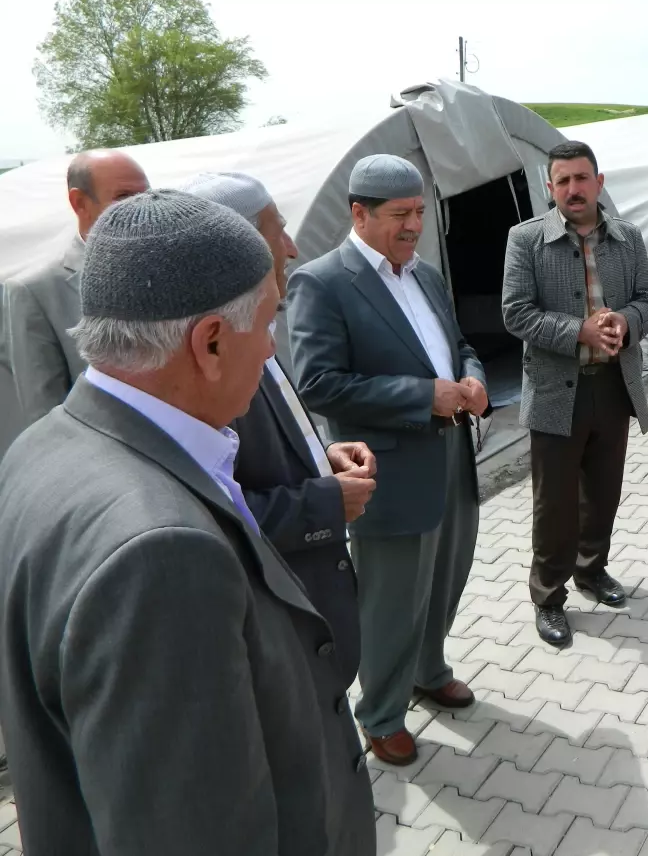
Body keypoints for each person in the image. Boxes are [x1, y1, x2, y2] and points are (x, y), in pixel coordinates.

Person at [0, 190, 375, 855]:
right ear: (208, 342)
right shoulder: (161, 556)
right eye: (265, 325)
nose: (268, 352)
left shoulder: (41, 447)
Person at [288, 154, 488, 767]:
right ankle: (380, 714)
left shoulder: (423, 275)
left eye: (420, 213)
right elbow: (318, 382)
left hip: (451, 454)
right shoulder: (323, 282)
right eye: (399, 214)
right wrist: (423, 396)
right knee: (391, 598)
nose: (412, 226)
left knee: (446, 577)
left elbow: (458, 346)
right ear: (359, 213)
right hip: (389, 473)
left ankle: (428, 670)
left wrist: (474, 379)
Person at [181, 171, 377, 687]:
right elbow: (208, 518)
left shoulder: (256, 329)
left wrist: (321, 456)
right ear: (238, 249)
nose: (291, 248)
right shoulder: (212, 366)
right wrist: (323, 503)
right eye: (278, 232)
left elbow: (272, 439)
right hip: (275, 626)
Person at [502, 141, 648, 647]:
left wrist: (624, 323)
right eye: (562, 180)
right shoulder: (526, 240)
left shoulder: (628, 237)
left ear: (599, 181)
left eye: (581, 178)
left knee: (603, 491)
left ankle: (592, 572)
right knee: (555, 502)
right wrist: (579, 332)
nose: (573, 189)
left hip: (612, 387)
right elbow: (516, 313)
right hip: (555, 392)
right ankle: (548, 597)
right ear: (550, 187)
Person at [3, 149, 149, 428]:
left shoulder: (171, 267)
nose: (142, 208)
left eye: (148, 195)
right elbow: (45, 415)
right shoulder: (35, 291)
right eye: (124, 197)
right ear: (80, 202)